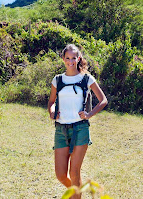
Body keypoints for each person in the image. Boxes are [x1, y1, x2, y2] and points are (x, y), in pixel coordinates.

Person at [47, 44, 107, 198]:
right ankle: (76, 193)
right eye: (67, 58)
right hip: (61, 130)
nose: (70, 61)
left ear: (78, 58)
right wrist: (52, 111)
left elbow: (103, 100)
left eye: (74, 58)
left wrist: (89, 114)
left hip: (80, 129)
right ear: (63, 59)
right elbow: (51, 102)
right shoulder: (57, 80)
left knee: (74, 172)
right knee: (60, 174)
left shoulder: (86, 78)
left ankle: (75, 195)